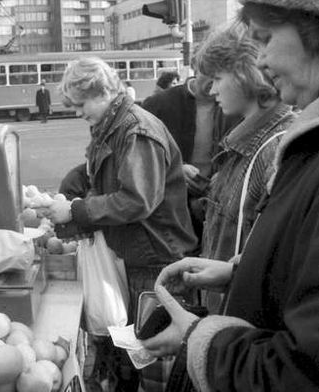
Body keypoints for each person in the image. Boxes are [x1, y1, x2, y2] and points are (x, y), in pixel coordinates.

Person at [142, 1, 319, 390]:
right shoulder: (291, 147)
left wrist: (199, 338)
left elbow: (299, 368)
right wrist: (237, 272)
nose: (263, 57)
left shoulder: (278, 150)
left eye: (267, 38)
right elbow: (296, 266)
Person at [49, 57, 197, 392]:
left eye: (80, 104)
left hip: (154, 259)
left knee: (153, 358)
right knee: (134, 353)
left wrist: (76, 211)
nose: (77, 112)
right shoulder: (111, 127)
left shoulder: (135, 130)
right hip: (137, 254)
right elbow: (104, 187)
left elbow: (136, 200)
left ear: (102, 92)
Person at [195, 24, 296, 265]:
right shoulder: (249, 142)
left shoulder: (275, 148)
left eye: (218, 78)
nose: (212, 89)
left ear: (246, 75)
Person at [142, 67, 241, 247]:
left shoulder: (237, 105)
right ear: (195, 67)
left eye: (220, 77)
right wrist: (174, 169)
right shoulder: (158, 104)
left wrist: (226, 174)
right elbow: (139, 157)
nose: (214, 85)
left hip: (218, 207)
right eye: (210, 73)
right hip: (171, 214)